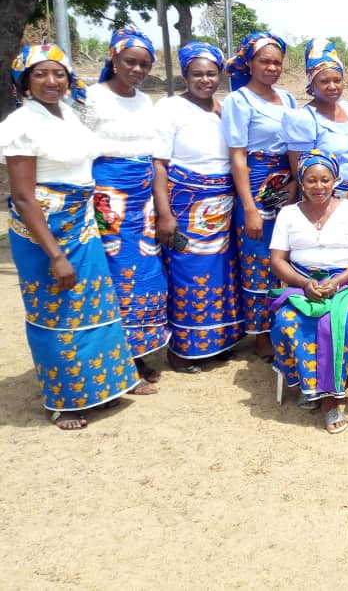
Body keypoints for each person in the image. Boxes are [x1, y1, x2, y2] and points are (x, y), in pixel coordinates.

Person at [0, 44, 139, 429]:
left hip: (81, 222)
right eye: (41, 74)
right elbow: (26, 199)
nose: (51, 81)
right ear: (24, 81)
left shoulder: (67, 116)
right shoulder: (20, 125)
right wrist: (55, 255)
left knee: (94, 305)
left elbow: (97, 152)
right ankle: (64, 400)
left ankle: (101, 388)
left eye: (58, 73)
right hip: (44, 230)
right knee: (56, 312)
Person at [268, 151, 348, 434]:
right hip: (301, 280)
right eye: (311, 180)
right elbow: (277, 260)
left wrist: (338, 281)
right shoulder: (288, 214)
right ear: (301, 182)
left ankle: (329, 400)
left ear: (335, 180)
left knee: (333, 322)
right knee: (286, 321)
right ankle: (309, 384)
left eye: (325, 180)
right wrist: (304, 285)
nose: (319, 186)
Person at [85, 27, 167, 392]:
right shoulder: (90, 99)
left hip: (143, 199)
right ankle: (119, 365)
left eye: (144, 64)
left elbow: (151, 154)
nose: (137, 70)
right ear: (113, 59)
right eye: (130, 62)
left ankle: (137, 355)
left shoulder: (144, 102)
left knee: (148, 274)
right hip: (108, 197)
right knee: (118, 275)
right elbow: (78, 151)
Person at [153, 41, 242, 373]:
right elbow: (159, 164)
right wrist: (164, 214)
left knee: (221, 273)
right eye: (197, 74)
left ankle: (217, 342)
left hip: (221, 204)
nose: (205, 80)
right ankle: (182, 349)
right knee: (186, 273)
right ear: (184, 75)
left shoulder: (223, 110)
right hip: (185, 205)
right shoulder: (170, 108)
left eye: (211, 73)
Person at [222, 31, 297, 360]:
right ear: (249, 63)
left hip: (288, 183)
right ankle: (260, 333)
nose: (271, 67)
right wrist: (249, 207)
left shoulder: (289, 99)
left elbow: (295, 146)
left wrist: (296, 185)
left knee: (286, 255)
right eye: (264, 61)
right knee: (257, 258)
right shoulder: (238, 101)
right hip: (255, 183)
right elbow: (237, 156)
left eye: (277, 62)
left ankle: (282, 323)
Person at [283, 38, 348, 200]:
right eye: (324, 81)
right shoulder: (304, 119)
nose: (332, 86)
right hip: (323, 198)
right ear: (312, 85)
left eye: (337, 80)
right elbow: (301, 172)